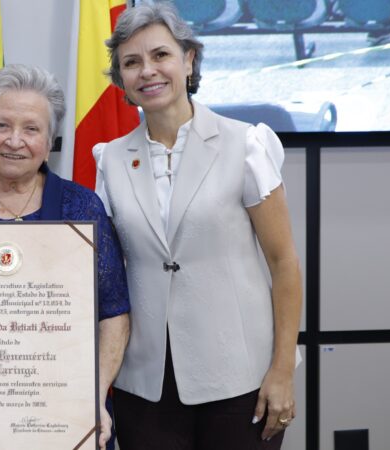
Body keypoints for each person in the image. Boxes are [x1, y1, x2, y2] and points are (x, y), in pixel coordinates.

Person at [93, 3, 303, 449]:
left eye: (160, 55)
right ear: (121, 81)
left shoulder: (245, 143)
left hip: (239, 378)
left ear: (189, 60)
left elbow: (284, 263)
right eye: (131, 63)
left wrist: (283, 370)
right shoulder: (109, 159)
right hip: (144, 384)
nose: (147, 71)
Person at [0, 64, 130, 450]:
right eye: (1, 125)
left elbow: (114, 312)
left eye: (31, 129)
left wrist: (93, 396)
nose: (14, 140)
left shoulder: (82, 206)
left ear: (50, 139)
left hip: (61, 413)